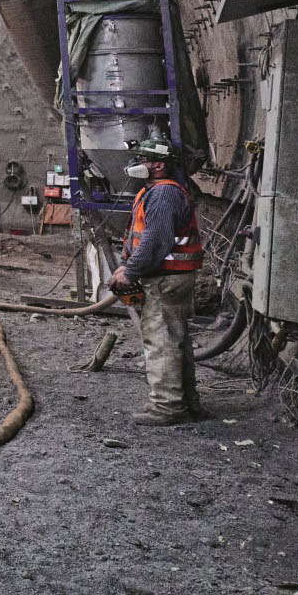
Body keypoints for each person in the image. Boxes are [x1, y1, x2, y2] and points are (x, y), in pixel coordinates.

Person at [109, 140, 207, 426]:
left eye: (143, 158)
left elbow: (156, 239)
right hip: (173, 276)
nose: (137, 163)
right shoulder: (158, 191)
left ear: (159, 165)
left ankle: (167, 407)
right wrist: (128, 264)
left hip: (165, 277)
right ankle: (188, 402)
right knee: (176, 338)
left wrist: (131, 271)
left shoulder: (163, 193)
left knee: (161, 340)